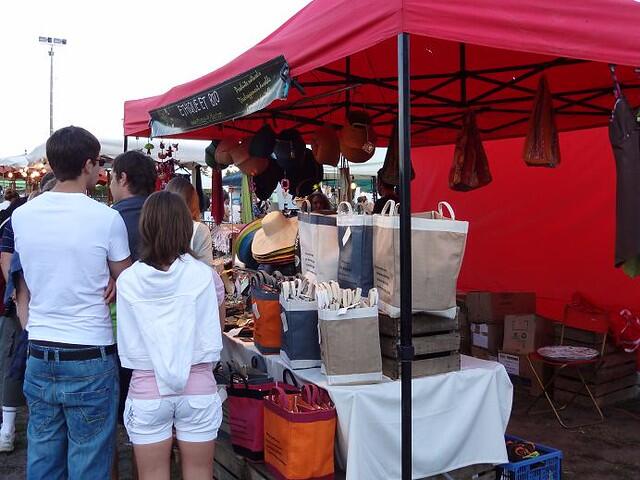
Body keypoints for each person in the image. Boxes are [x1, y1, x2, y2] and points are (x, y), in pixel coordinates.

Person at [12, 126, 132, 479]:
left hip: (40, 347)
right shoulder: (107, 218)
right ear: (87, 164)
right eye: (98, 165)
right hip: (89, 352)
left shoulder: (23, 216)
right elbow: (126, 279)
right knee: (90, 459)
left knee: (43, 455)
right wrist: (113, 277)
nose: (100, 172)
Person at [117, 191, 223, 480]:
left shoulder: (128, 280)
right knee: (200, 473)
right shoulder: (205, 276)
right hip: (198, 385)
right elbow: (218, 325)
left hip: (147, 388)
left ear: (145, 226)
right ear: (184, 227)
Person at [109, 150, 157, 479]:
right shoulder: (166, 216)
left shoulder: (108, 219)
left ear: (123, 178)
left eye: (112, 177)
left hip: (116, 334)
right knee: (152, 426)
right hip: (161, 333)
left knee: (108, 424)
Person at [165, 176, 226, 322]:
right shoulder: (198, 229)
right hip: (192, 307)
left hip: (165, 306)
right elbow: (207, 274)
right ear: (193, 202)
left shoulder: (160, 227)